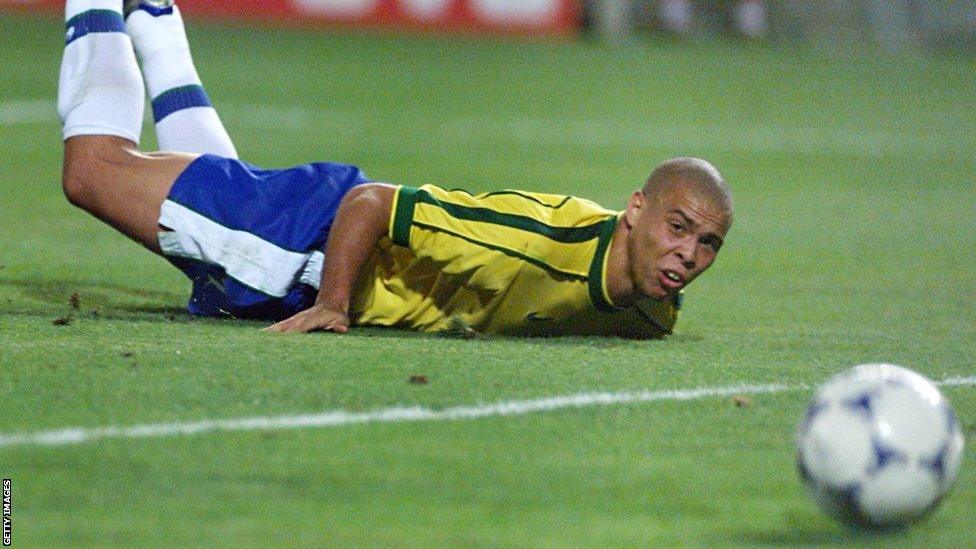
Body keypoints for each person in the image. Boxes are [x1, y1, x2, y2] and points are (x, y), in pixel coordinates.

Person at [58, 0, 733, 339]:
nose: (688, 253)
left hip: (299, 237)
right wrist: (331, 305)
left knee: (218, 188)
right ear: (636, 208)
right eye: (678, 226)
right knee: (92, 171)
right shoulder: (538, 240)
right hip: (305, 246)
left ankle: (154, 18)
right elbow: (373, 203)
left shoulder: (653, 309)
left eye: (707, 243)